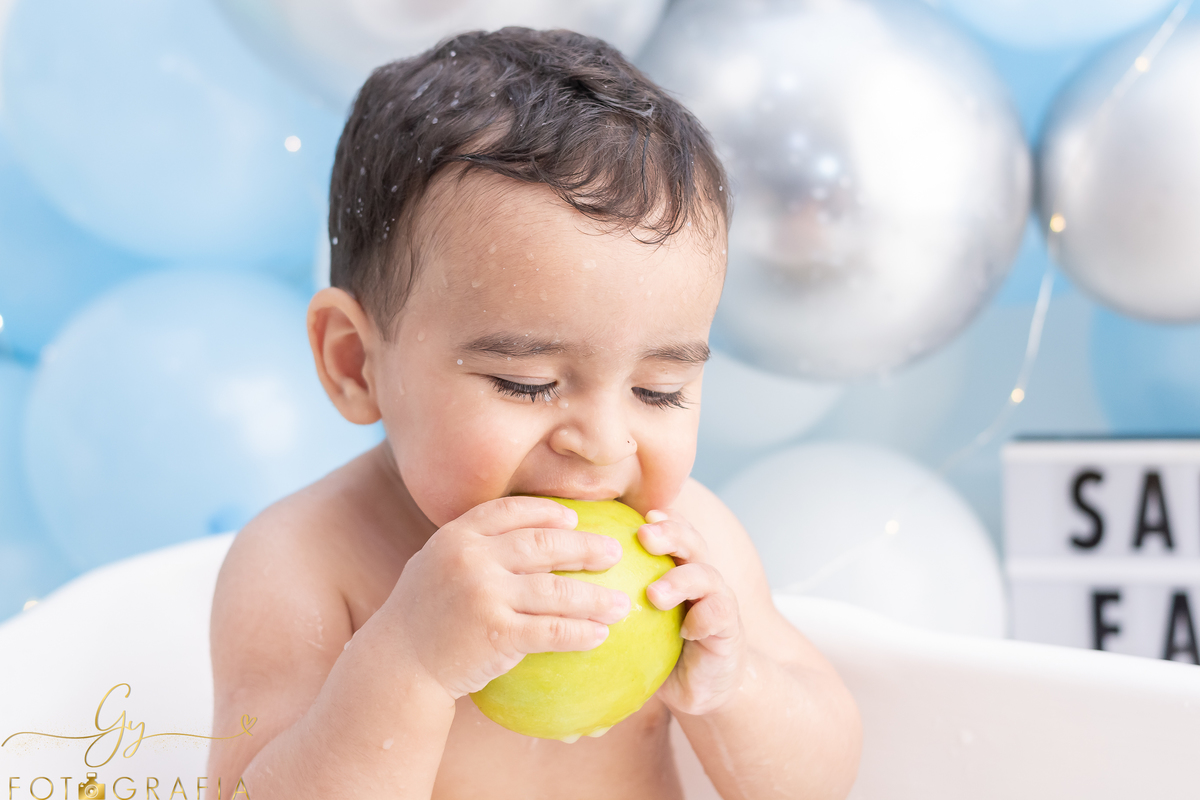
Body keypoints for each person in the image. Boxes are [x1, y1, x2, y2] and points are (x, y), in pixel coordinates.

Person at [206, 27, 861, 799]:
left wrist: (733, 689)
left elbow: (821, 781)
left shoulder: (691, 549)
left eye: (658, 391)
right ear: (356, 363)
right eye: (525, 383)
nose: (602, 443)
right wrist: (408, 661)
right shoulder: (305, 565)